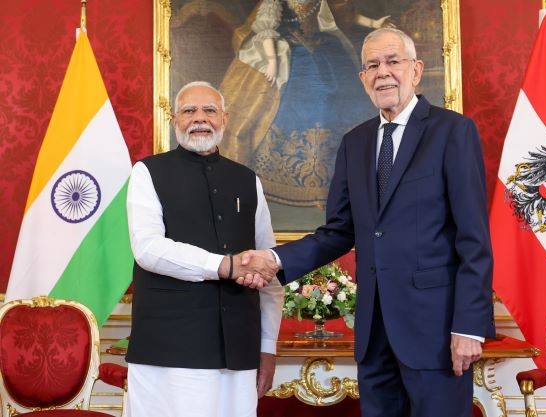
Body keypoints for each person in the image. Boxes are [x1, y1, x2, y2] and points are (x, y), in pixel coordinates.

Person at [243, 28, 495, 417]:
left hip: (436, 334)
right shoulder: (355, 143)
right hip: (374, 335)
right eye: (373, 65)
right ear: (363, 78)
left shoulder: (452, 131)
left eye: (393, 61)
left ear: (416, 70)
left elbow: (473, 239)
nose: (383, 72)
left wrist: (469, 327)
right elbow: (339, 231)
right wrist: (275, 260)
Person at [125, 81, 283, 417]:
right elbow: (148, 249)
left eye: (209, 110)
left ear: (225, 118)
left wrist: (268, 347)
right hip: (169, 350)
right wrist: (224, 266)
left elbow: (268, 267)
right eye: (189, 111)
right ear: (174, 120)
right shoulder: (147, 172)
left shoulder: (248, 180)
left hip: (238, 351)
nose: (200, 118)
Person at [218, 0, 390, 207]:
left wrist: (374, 23)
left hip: (324, 49)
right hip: (289, 52)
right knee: (303, 98)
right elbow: (266, 28)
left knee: (342, 96)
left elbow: (343, 15)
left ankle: (341, 181)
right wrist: (272, 61)